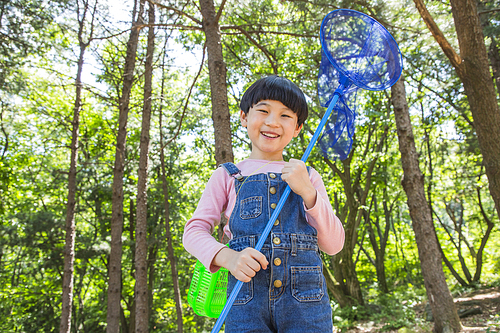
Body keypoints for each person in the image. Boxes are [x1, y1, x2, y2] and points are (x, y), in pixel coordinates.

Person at [183, 75, 345, 332]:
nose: (272, 122)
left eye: (285, 115)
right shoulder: (228, 175)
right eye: (263, 110)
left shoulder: (308, 176)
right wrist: (229, 258)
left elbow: (334, 245)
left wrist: (308, 192)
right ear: (244, 116)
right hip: (245, 298)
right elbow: (193, 231)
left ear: (298, 128)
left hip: (306, 301)